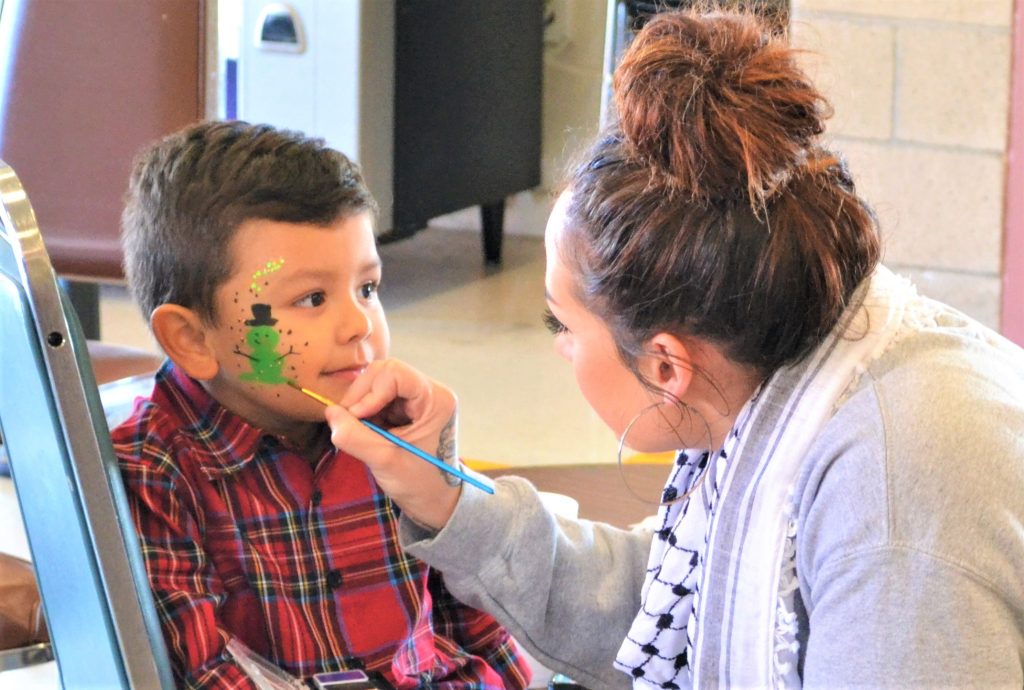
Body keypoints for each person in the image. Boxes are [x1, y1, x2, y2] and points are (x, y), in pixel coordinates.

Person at [324, 8, 1024, 690]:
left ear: (666, 366)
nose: (561, 352)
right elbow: (667, 603)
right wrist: (447, 499)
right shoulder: (783, 359)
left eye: (561, 326)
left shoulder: (896, 492)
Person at [113, 120, 531, 689]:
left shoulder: (391, 425)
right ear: (192, 339)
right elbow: (201, 673)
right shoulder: (153, 472)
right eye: (311, 299)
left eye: (367, 288)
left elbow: (475, 619)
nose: (359, 324)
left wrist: (445, 488)